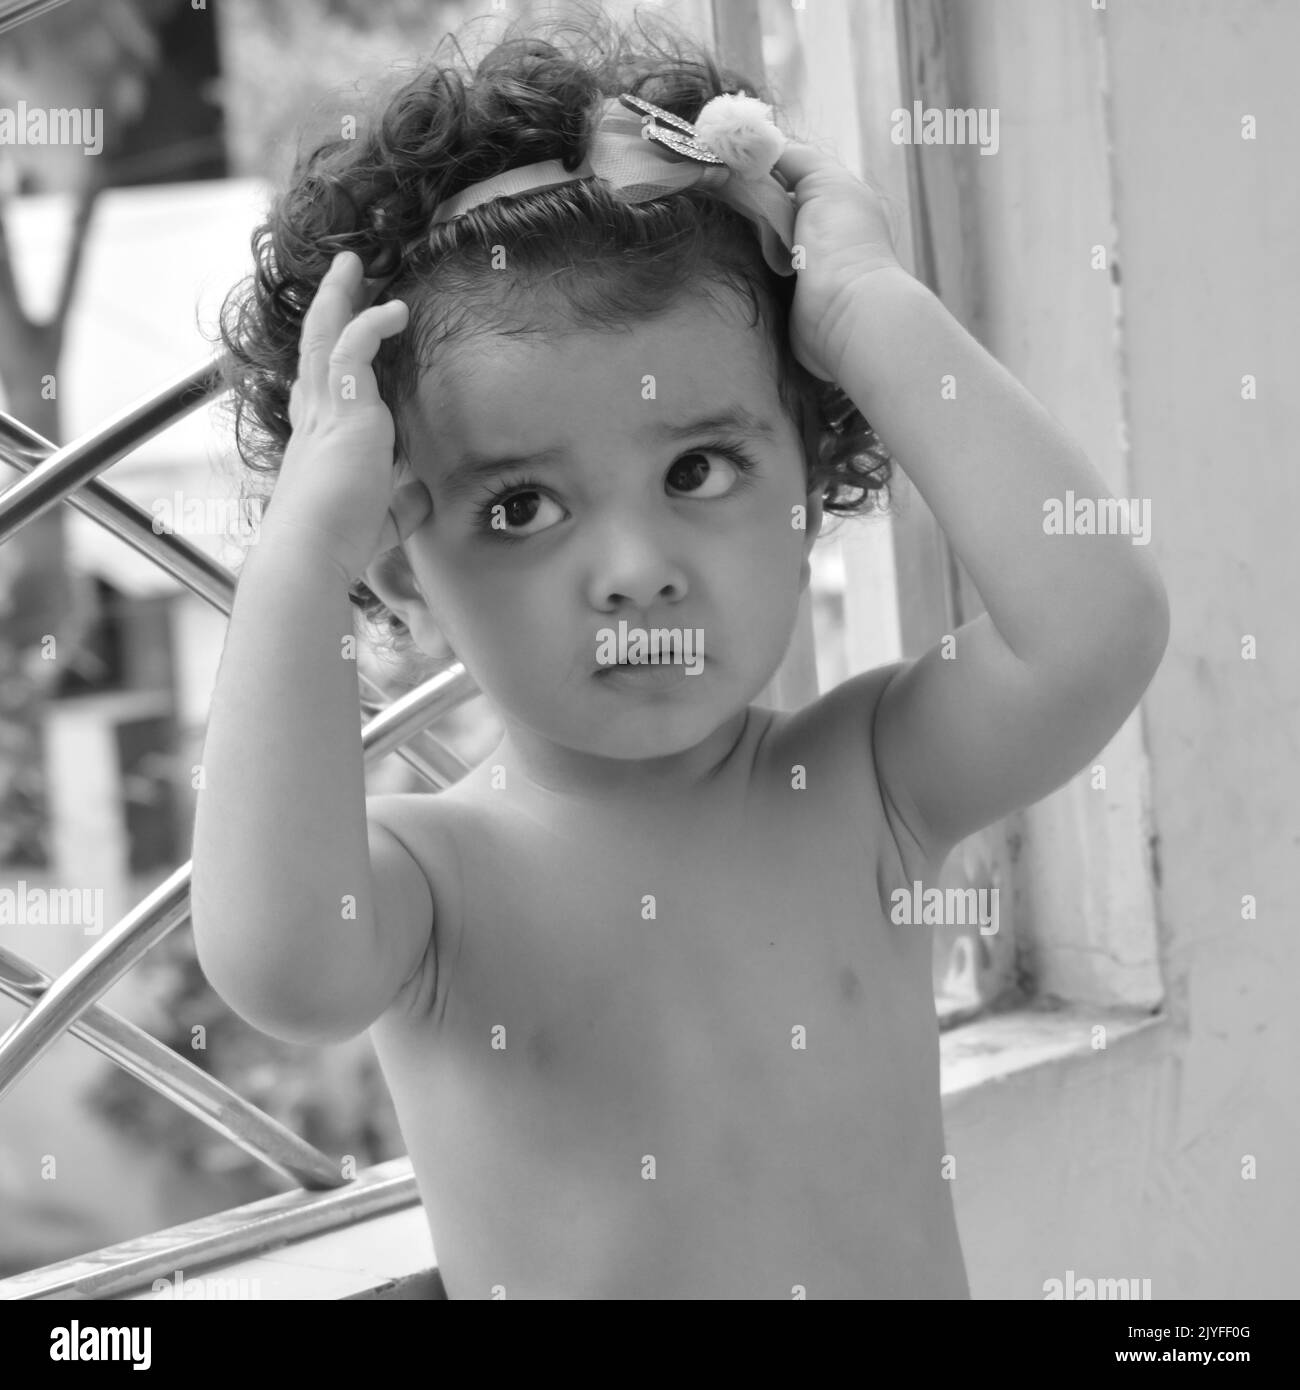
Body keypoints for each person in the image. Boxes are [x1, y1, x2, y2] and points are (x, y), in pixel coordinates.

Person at [191, 7, 1168, 1299]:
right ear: (392, 554)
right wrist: (298, 557)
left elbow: (1097, 626)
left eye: (699, 466)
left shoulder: (865, 781)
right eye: (521, 505)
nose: (636, 565)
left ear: (810, 476)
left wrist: (869, 309)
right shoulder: (439, 880)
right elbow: (277, 959)